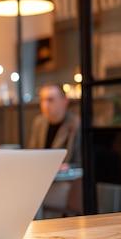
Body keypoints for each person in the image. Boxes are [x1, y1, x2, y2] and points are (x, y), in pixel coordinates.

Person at [27, 82, 82, 217]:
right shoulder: (39, 122)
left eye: (50, 99)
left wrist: (67, 166)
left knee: (29, 194)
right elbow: (32, 153)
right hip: (40, 177)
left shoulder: (75, 124)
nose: (45, 104)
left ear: (64, 101)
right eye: (42, 100)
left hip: (63, 181)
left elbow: (81, 160)